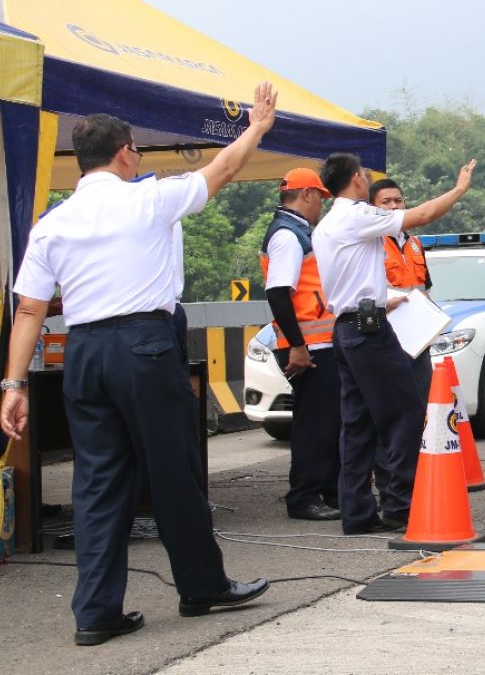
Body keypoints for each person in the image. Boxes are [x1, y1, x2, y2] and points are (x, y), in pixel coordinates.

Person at [0, 82, 278, 646]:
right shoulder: (149, 199)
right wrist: (257, 128)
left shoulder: (52, 223)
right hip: (144, 346)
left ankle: (96, 612)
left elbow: (28, 307)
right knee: (172, 470)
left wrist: (13, 383)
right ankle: (202, 588)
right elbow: (222, 170)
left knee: (98, 483)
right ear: (126, 150)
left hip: (84, 353)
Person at [312, 153, 475, 535]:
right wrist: (459, 189)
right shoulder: (357, 215)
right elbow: (421, 216)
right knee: (404, 413)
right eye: (365, 176)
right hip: (370, 329)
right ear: (355, 180)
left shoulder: (324, 225)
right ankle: (401, 505)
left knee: (357, 425)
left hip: (346, 328)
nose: (369, 182)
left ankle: (357, 512)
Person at [259, 168, 341, 521]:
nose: (321, 204)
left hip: (317, 343)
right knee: (314, 425)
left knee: (327, 421)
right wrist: (297, 345)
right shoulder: (288, 237)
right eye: (320, 197)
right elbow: (278, 292)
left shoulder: (298, 233)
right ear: (306, 194)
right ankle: (304, 497)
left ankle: (328, 491)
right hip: (309, 346)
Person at [367, 179, 434, 497]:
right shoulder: (370, 244)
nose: (394, 207)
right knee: (389, 414)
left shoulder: (415, 243)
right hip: (388, 340)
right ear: (372, 208)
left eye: (398, 201)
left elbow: (426, 290)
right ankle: (389, 485)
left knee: (417, 412)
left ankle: (414, 481)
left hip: (419, 342)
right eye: (386, 202)